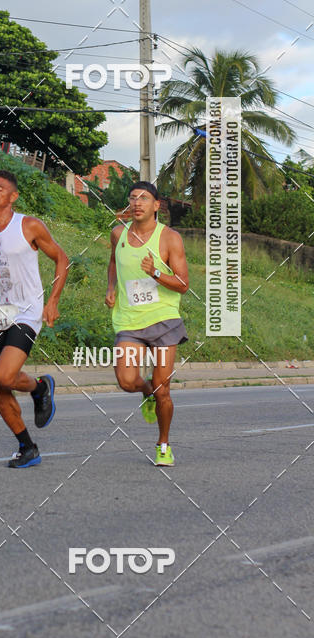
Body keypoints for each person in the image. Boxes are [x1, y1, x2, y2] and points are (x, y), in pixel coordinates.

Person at [0, 170, 69, 468]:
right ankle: (27, 446)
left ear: (13, 196)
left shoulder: (30, 226)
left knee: (4, 376)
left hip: (26, 310)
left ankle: (38, 388)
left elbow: (62, 258)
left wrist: (53, 300)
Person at [105, 181, 189, 467]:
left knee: (163, 388)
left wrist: (154, 272)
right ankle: (146, 394)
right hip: (129, 320)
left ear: (156, 205)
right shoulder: (119, 234)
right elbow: (113, 262)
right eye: (132, 198)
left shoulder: (170, 239)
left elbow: (182, 284)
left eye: (144, 198)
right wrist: (111, 287)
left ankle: (163, 444)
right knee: (126, 380)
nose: (137, 203)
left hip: (164, 320)